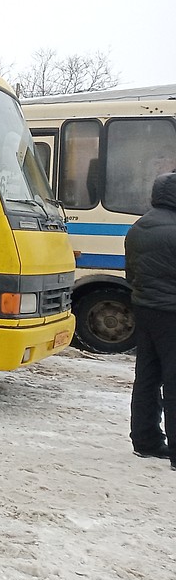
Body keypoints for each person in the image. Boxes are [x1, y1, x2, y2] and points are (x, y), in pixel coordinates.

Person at [123, 171, 176, 468]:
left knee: (147, 377)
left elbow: (131, 273)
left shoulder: (139, 227)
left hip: (144, 309)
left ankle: (145, 440)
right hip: (172, 313)